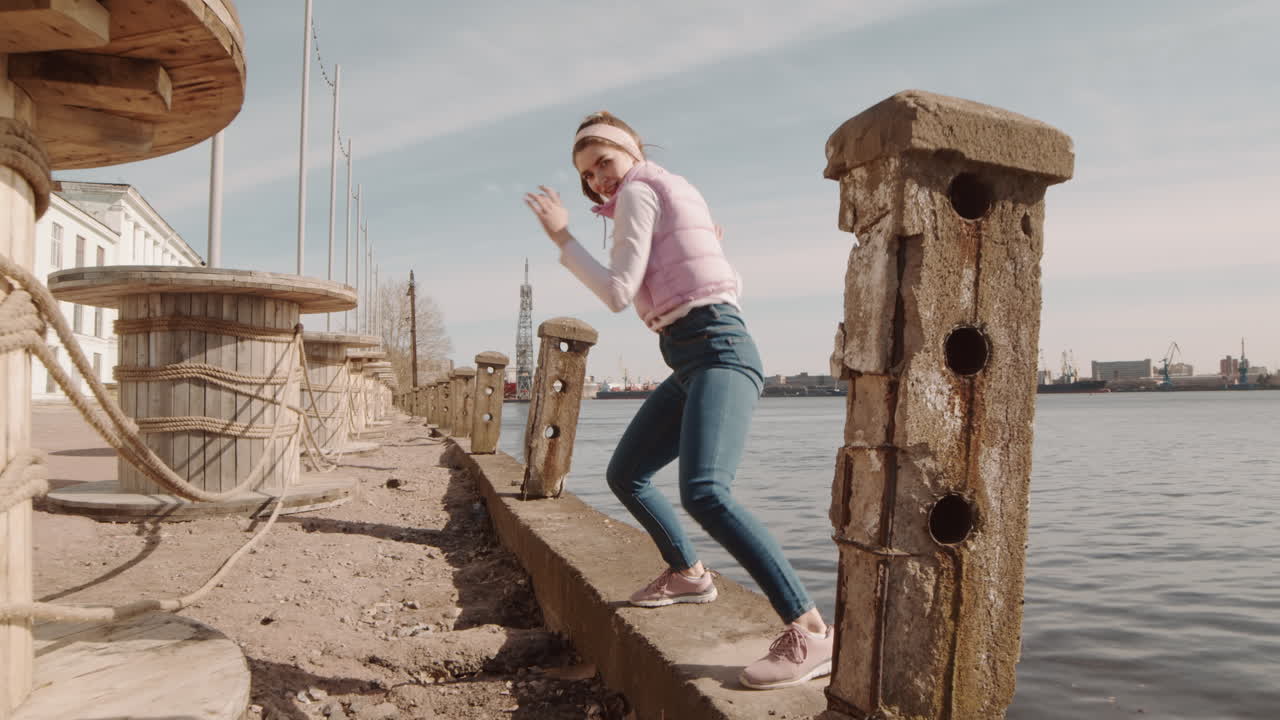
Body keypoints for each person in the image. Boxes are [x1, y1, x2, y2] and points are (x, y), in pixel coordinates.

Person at [523, 111, 833, 690]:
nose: (597, 181)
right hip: (690, 356)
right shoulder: (666, 189)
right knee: (628, 474)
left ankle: (812, 630)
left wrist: (563, 236)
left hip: (718, 349)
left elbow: (617, 292)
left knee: (706, 491)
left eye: (603, 164)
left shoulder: (640, 190)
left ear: (632, 151)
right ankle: (689, 574)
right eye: (587, 175)